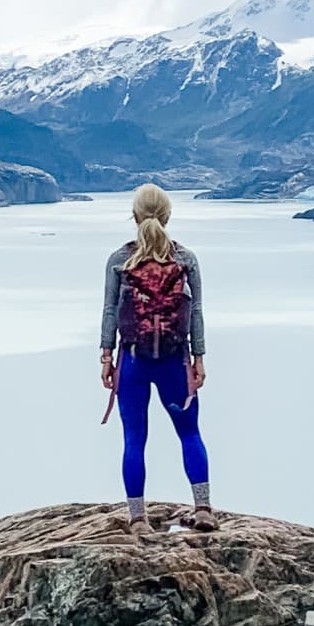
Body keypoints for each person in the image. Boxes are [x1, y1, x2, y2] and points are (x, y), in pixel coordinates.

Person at [100, 182, 214, 530]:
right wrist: (199, 357)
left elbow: (109, 311)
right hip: (174, 360)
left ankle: (137, 519)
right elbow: (195, 312)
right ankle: (204, 510)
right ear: (167, 215)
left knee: (134, 438)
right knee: (189, 432)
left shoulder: (120, 259)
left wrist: (106, 356)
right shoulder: (185, 258)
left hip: (133, 362)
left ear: (134, 216)